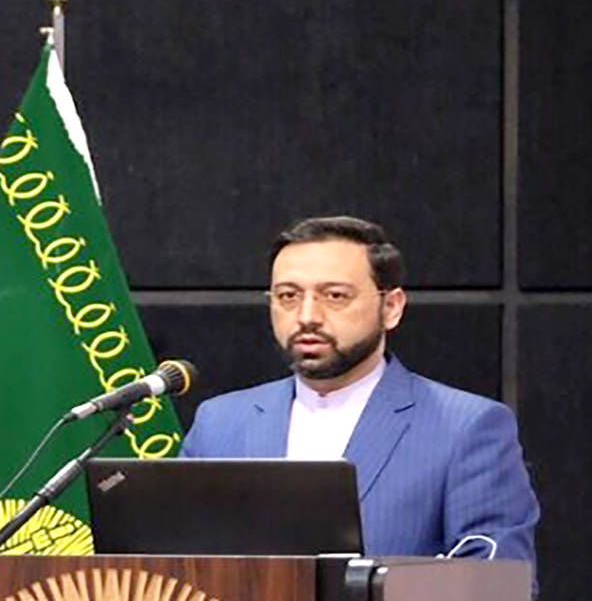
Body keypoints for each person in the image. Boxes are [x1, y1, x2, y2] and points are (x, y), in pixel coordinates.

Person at [179, 216, 539, 575]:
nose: (307, 316)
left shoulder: (465, 427)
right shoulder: (220, 423)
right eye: (288, 296)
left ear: (391, 307)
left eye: (335, 296)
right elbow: (176, 570)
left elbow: (497, 581)